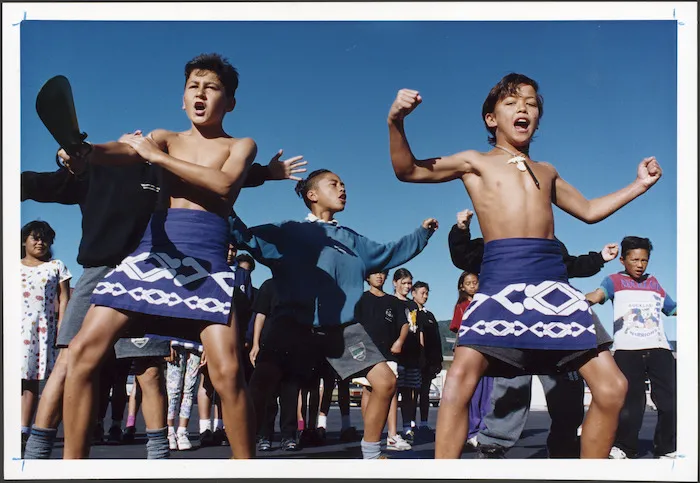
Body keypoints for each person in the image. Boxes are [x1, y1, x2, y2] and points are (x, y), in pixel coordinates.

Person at [387, 72, 662, 458]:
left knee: (612, 388)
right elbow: (408, 170)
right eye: (513, 102)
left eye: (531, 103)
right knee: (458, 385)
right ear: (490, 118)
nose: (524, 108)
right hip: (501, 278)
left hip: (553, 282)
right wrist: (395, 121)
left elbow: (588, 210)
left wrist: (639, 185)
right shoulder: (474, 162)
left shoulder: (547, 171)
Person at [57, 53, 305, 459]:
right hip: (153, 253)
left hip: (206, 259)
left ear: (230, 101)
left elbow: (224, 186)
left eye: (212, 87)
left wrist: (156, 157)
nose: (201, 93)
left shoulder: (240, 144)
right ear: (183, 98)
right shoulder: (164, 136)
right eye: (194, 86)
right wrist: (81, 153)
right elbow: (116, 151)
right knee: (83, 351)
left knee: (227, 372)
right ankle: (71, 465)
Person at [229, 168, 438, 458]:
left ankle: (372, 453)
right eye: (334, 184)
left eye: (343, 183)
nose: (343, 188)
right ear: (312, 195)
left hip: (341, 332)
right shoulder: (289, 231)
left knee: (385, 382)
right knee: (261, 384)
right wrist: (225, 192)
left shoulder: (351, 240)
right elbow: (244, 237)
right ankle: (242, 456)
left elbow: (391, 252)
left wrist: (422, 234)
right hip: (292, 327)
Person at [449, 207, 619, 458]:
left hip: (554, 322)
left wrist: (600, 257)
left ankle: (565, 442)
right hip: (513, 323)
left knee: (566, 390)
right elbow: (464, 257)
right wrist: (461, 230)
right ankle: (494, 443)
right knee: (510, 388)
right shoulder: (497, 239)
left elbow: (572, 265)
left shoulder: (550, 242)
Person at [586, 236, 677, 459]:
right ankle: (625, 448)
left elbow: (673, 309)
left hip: (659, 349)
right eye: (634, 259)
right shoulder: (613, 281)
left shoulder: (654, 283)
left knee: (671, 402)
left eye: (644, 260)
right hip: (627, 352)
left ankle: (666, 448)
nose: (639, 265)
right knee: (630, 406)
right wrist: (577, 301)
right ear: (623, 260)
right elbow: (597, 296)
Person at [20, 221, 71, 451]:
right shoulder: (12, 267)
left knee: (31, 380)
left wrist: (63, 328)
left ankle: (23, 430)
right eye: (35, 237)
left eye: (45, 239)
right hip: (14, 326)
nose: (40, 242)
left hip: (40, 329)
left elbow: (64, 300)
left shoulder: (56, 267)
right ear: (24, 241)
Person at [353, 269, 412, 451]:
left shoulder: (392, 301)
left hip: (388, 353)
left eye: (382, 273)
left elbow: (404, 324)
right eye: (374, 273)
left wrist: (399, 341)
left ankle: (392, 435)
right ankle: (370, 433)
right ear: (367, 277)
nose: (379, 276)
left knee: (390, 390)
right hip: (366, 353)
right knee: (368, 391)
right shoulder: (360, 299)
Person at [389, 268, 423, 445]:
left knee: (409, 393)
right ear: (395, 283)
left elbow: (417, 330)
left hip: (412, 355)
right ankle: (391, 431)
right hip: (396, 355)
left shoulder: (412, 305)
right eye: (403, 283)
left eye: (409, 283)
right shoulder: (389, 302)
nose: (407, 286)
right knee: (393, 394)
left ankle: (407, 427)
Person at [411, 281, 443, 440]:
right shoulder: (410, 312)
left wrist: (438, 361)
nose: (425, 296)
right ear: (413, 293)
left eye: (427, 293)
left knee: (424, 393)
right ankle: (410, 424)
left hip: (430, 362)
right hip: (414, 360)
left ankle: (423, 423)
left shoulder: (430, 315)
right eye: (422, 293)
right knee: (412, 393)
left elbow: (436, 339)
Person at [165, 339, 202, 451]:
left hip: (196, 346)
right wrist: (167, 344)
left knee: (189, 390)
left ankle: (182, 431)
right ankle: (170, 432)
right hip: (176, 343)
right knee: (173, 389)